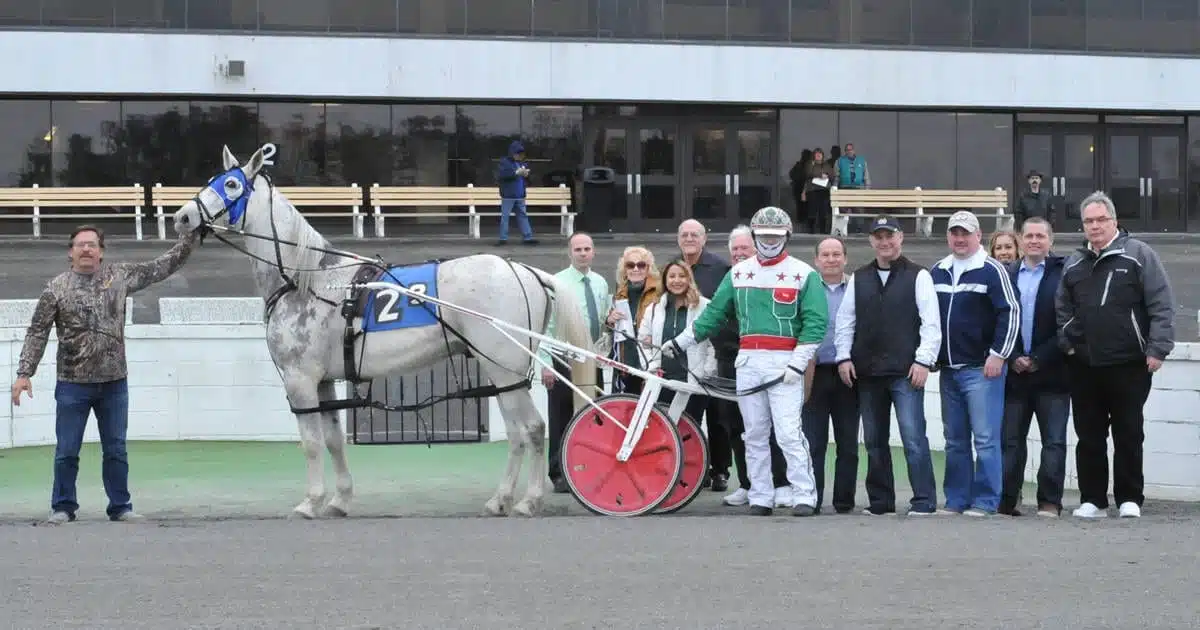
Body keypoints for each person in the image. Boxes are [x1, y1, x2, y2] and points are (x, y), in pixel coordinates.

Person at [11, 224, 198, 524]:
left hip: (114, 383)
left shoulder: (119, 276)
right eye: (80, 244)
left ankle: (120, 507)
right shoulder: (56, 288)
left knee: (116, 451)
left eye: (92, 244)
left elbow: (162, 267)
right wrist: (24, 373)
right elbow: (37, 332)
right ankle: (63, 507)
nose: (86, 249)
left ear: (101, 252)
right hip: (72, 384)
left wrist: (189, 238)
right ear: (70, 252)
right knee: (67, 451)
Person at [664, 206, 827, 517]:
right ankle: (761, 495)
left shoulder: (804, 273)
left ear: (787, 236)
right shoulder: (738, 274)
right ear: (754, 236)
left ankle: (804, 494)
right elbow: (713, 316)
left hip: (785, 363)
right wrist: (679, 342)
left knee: (789, 433)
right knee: (753, 433)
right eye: (764, 236)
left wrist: (798, 361)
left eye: (775, 236)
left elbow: (816, 323)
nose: (769, 241)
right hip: (749, 361)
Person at [1056, 191, 1175, 519]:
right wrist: (1068, 344)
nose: (1095, 226)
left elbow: (1161, 303)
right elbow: (1062, 307)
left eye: (1101, 220)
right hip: (1084, 363)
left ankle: (1129, 498)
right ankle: (1093, 500)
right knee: (1089, 435)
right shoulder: (1075, 262)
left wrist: (1158, 348)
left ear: (1114, 221)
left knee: (1129, 432)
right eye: (1088, 221)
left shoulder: (1139, 255)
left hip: (1129, 363)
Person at [835, 215, 941, 516]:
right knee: (874, 441)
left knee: (913, 438)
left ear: (900, 238)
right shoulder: (859, 277)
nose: (885, 242)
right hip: (868, 373)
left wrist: (923, 360)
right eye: (879, 237)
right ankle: (881, 502)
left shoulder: (919, 276)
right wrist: (843, 357)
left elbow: (931, 324)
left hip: (906, 372)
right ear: (871, 241)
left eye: (890, 236)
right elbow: (845, 322)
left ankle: (924, 500)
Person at [930, 210, 1020, 517]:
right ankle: (956, 500)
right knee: (954, 440)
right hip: (948, 371)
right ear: (948, 237)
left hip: (982, 370)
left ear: (978, 236)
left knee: (985, 439)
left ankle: (986, 501)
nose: (960, 238)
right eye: (954, 233)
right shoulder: (938, 271)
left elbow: (1010, 312)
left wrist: (999, 354)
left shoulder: (992, 270)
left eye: (965, 233)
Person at [999, 217, 1070, 517]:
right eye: (1029, 236)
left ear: (1050, 241)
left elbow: (1070, 323)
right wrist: (1013, 356)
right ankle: (1008, 500)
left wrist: (1039, 357)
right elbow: (999, 319)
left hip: (1053, 373)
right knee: (1010, 442)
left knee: (1053, 442)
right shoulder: (1007, 274)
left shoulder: (1064, 274)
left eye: (1041, 236)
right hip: (1014, 374)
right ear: (1021, 240)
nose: (1034, 241)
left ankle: (1049, 501)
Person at [718, 225, 791, 508]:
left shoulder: (774, 276)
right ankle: (748, 484)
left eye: (744, 248)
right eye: (735, 249)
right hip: (730, 362)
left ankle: (781, 483)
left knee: (771, 426)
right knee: (738, 426)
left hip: (767, 361)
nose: (739, 253)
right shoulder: (730, 278)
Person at [541, 232, 610, 493]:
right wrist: (546, 363)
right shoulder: (557, 282)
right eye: (578, 249)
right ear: (569, 253)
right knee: (561, 417)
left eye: (587, 249)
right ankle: (558, 472)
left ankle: (588, 469)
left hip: (591, 359)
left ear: (593, 252)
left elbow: (602, 319)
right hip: (563, 357)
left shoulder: (601, 283)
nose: (583, 253)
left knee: (593, 417)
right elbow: (547, 326)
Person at [801, 237, 860, 515]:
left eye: (837, 254)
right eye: (825, 255)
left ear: (845, 259)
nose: (831, 259)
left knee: (848, 442)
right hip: (814, 373)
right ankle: (812, 498)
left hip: (848, 373)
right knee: (813, 442)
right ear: (816, 260)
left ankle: (844, 501)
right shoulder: (806, 289)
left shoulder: (857, 289)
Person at [676, 218, 733, 491]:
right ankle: (694, 470)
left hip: (718, 350)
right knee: (690, 416)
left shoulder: (722, 268)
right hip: (687, 354)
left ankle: (720, 470)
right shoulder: (674, 268)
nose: (689, 239)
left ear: (704, 238)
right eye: (684, 235)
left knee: (719, 416)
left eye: (694, 235)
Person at [638, 260, 717, 423]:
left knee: (690, 429)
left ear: (689, 279)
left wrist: (706, 373)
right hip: (662, 382)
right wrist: (651, 367)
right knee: (662, 428)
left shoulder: (704, 306)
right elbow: (642, 342)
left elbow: (713, 345)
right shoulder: (654, 309)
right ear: (665, 280)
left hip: (694, 383)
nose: (677, 280)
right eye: (672, 276)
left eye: (682, 276)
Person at [607, 246, 660, 395]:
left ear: (648, 268)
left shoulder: (659, 292)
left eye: (641, 265)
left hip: (650, 360)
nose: (636, 269)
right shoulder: (620, 292)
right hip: (626, 361)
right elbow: (612, 329)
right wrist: (610, 320)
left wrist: (655, 336)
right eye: (630, 265)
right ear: (624, 269)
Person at [495, 140, 538, 246]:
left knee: (523, 216)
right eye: (517, 153)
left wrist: (527, 176)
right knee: (505, 217)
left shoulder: (522, 163)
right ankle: (503, 238)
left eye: (521, 154)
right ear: (512, 153)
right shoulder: (504, 162)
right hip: (508, 196)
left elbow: (528, 180)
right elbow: (502, 175)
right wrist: (515, 173)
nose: (519, 156)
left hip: (520, 195)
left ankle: (528, 237)